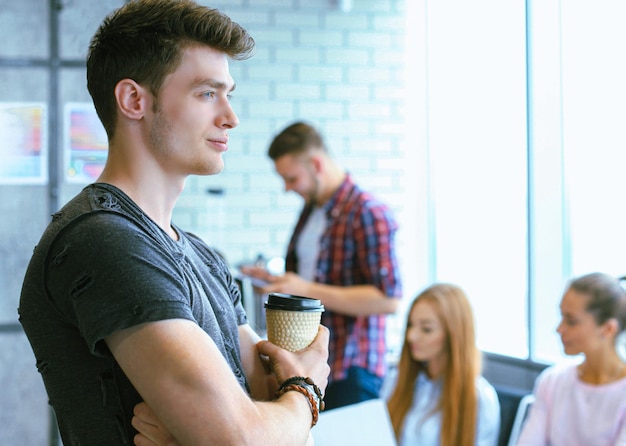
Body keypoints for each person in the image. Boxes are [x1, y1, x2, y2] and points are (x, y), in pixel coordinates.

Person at [17, 1, 329, 445]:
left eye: (228, 94)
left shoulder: (203, 256)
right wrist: (307, 392)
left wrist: (265, 417)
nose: (230, 117)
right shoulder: (104, 240)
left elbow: (279, 433)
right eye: (206, 93)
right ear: (134, 100)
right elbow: (246, 438)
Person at [241, 121, 403, 410]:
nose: (287, 189)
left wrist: (305, 288)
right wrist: (278, 282)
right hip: (311, 365)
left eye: (292, 178)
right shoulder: (312, 212)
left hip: (351, 368)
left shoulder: (368, 213)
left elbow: (388, 300)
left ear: (316, 164)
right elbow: (312, 281)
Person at [382, 283, 500, 446]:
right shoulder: (396, 380)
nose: (411, 336)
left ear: (453, 335)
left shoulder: (480, 399)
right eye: (410, 325)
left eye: (426, 329)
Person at [516, 272, 626, 446]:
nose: (559, 329)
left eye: (571, 321)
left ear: (608, 329)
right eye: (561, 316)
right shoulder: (553, 380)